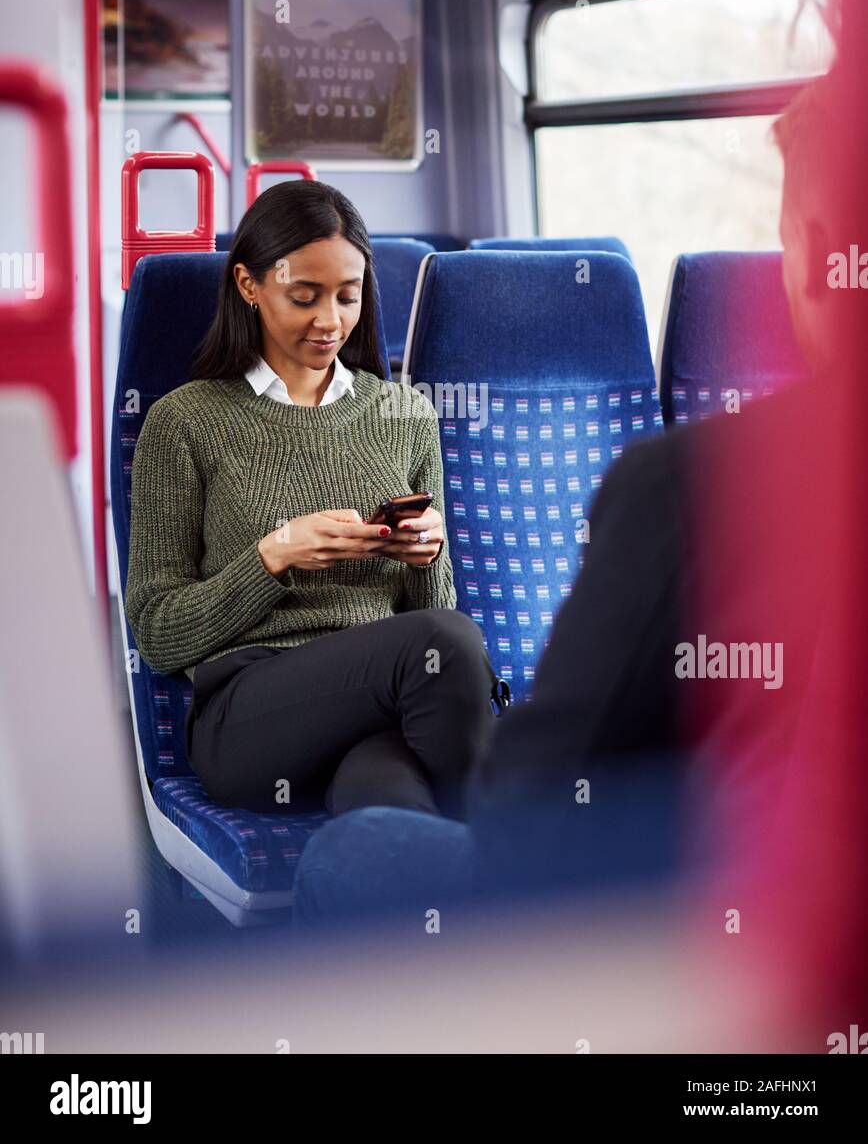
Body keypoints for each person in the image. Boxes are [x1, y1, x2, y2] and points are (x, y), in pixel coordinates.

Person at [292, 67, 856, 928]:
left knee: (350, 849)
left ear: (815, 256)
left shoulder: (692, 485)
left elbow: (532, 820)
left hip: (716, 924)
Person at [124, 181, 497, 821]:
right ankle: (523, 872)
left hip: (377, 710)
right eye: (305, 297)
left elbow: (429, 617)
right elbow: (157, 632)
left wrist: (427, 554)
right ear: (249, 285)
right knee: (449, 642)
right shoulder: (184, 422)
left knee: (386, 808)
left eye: (348, 297)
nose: (331, 321)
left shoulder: (403, 415)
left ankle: (433, 907)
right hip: (250, 718)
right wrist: (274, 556)